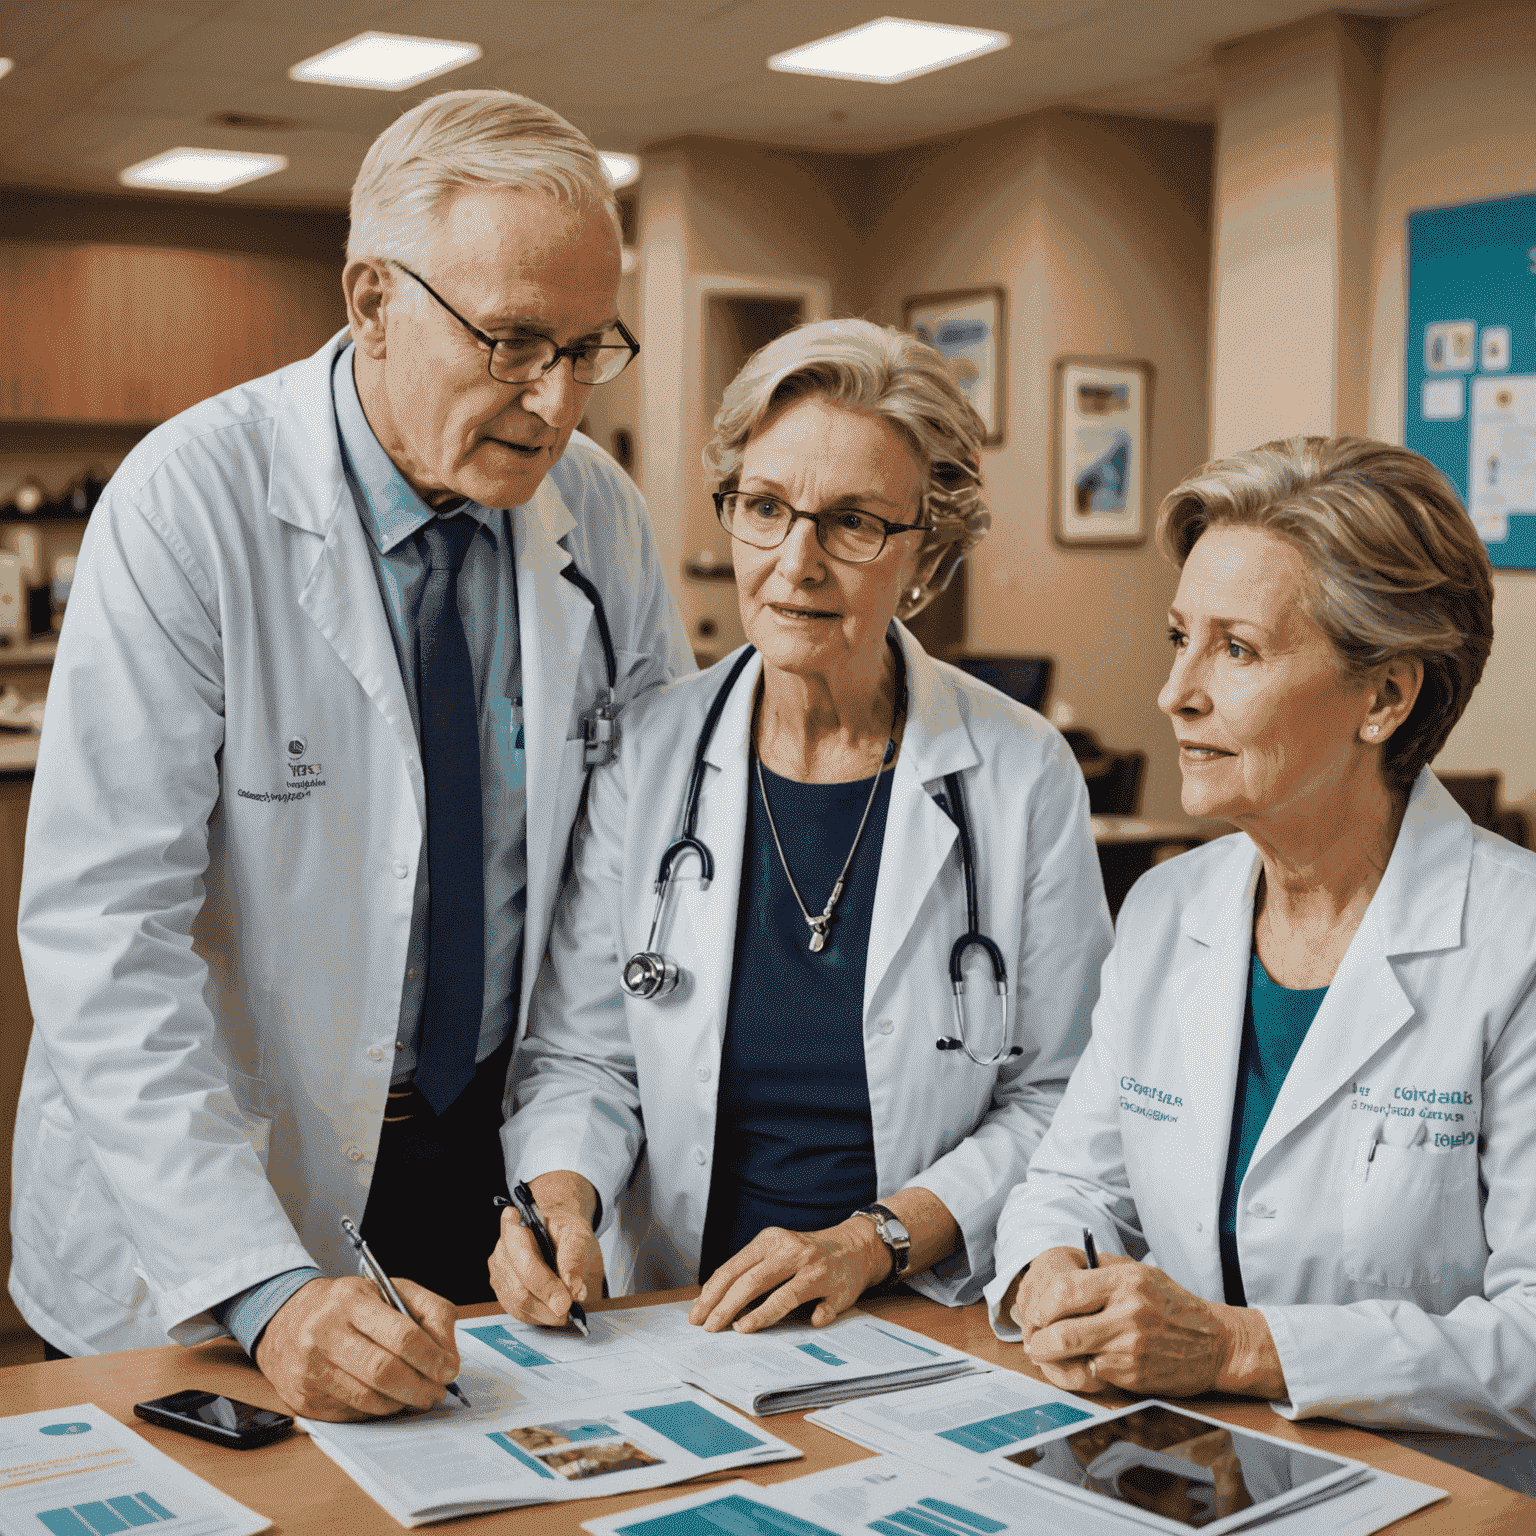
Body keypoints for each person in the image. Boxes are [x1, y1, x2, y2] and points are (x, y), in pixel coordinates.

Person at [11, 90, 692, 1420]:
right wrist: (262, 1289)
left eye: (585, 348)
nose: (552, 401)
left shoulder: (598, 520)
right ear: (374, 302)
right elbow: (107, 934)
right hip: (216, 1185)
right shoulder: (191, 502)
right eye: (508, 343)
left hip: (479, 1172)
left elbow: (621, 898)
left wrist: (565, 1165)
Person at [488, 318, 1111, 1333]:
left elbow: (1063, 1097)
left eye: (853, 522)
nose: (797, 561)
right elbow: (580, 1055)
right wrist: (560, 1199)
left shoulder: (1019, 770)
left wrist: (872, 1241)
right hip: (683, 1312)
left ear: (927, 554)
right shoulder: (650, 755)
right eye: (765, 509)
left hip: (919, 1314)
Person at [986, 437, 1536, 1490]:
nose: (1174, 693)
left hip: (1441, 1500)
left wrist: (1241, 1348)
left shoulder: (1515, 949)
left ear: (1386, 697)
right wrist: (1050, 1272)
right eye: (1179, 637)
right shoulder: (1166, 910)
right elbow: (1069, 1183)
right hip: (1193, 1476)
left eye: (1235, 650)